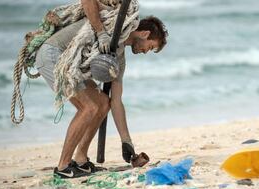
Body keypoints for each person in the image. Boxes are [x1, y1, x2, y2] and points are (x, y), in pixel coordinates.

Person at [35, 0, 168, 178]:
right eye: (150, 47)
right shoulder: (112, 23)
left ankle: (81, 160)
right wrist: (101, 33)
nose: (146, 52)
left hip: (70, 66)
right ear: (144, 33)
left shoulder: (119, 56)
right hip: (53, 55)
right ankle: (63, 167)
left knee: (103, 102)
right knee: (88, 107)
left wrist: (126, 141)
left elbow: (117, 101)